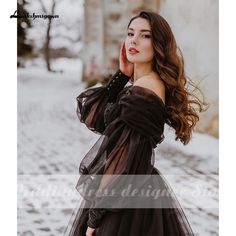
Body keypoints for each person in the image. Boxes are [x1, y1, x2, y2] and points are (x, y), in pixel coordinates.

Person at [64, 10, 206, 236]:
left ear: (158, 44)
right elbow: (95, 116)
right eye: (130, 33)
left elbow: (123, 157)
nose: (134, 40)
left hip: (125, 199)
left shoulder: (146, 89)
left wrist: (96, 216)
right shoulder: (144, 84)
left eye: (145, 35)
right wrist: (122, 76)